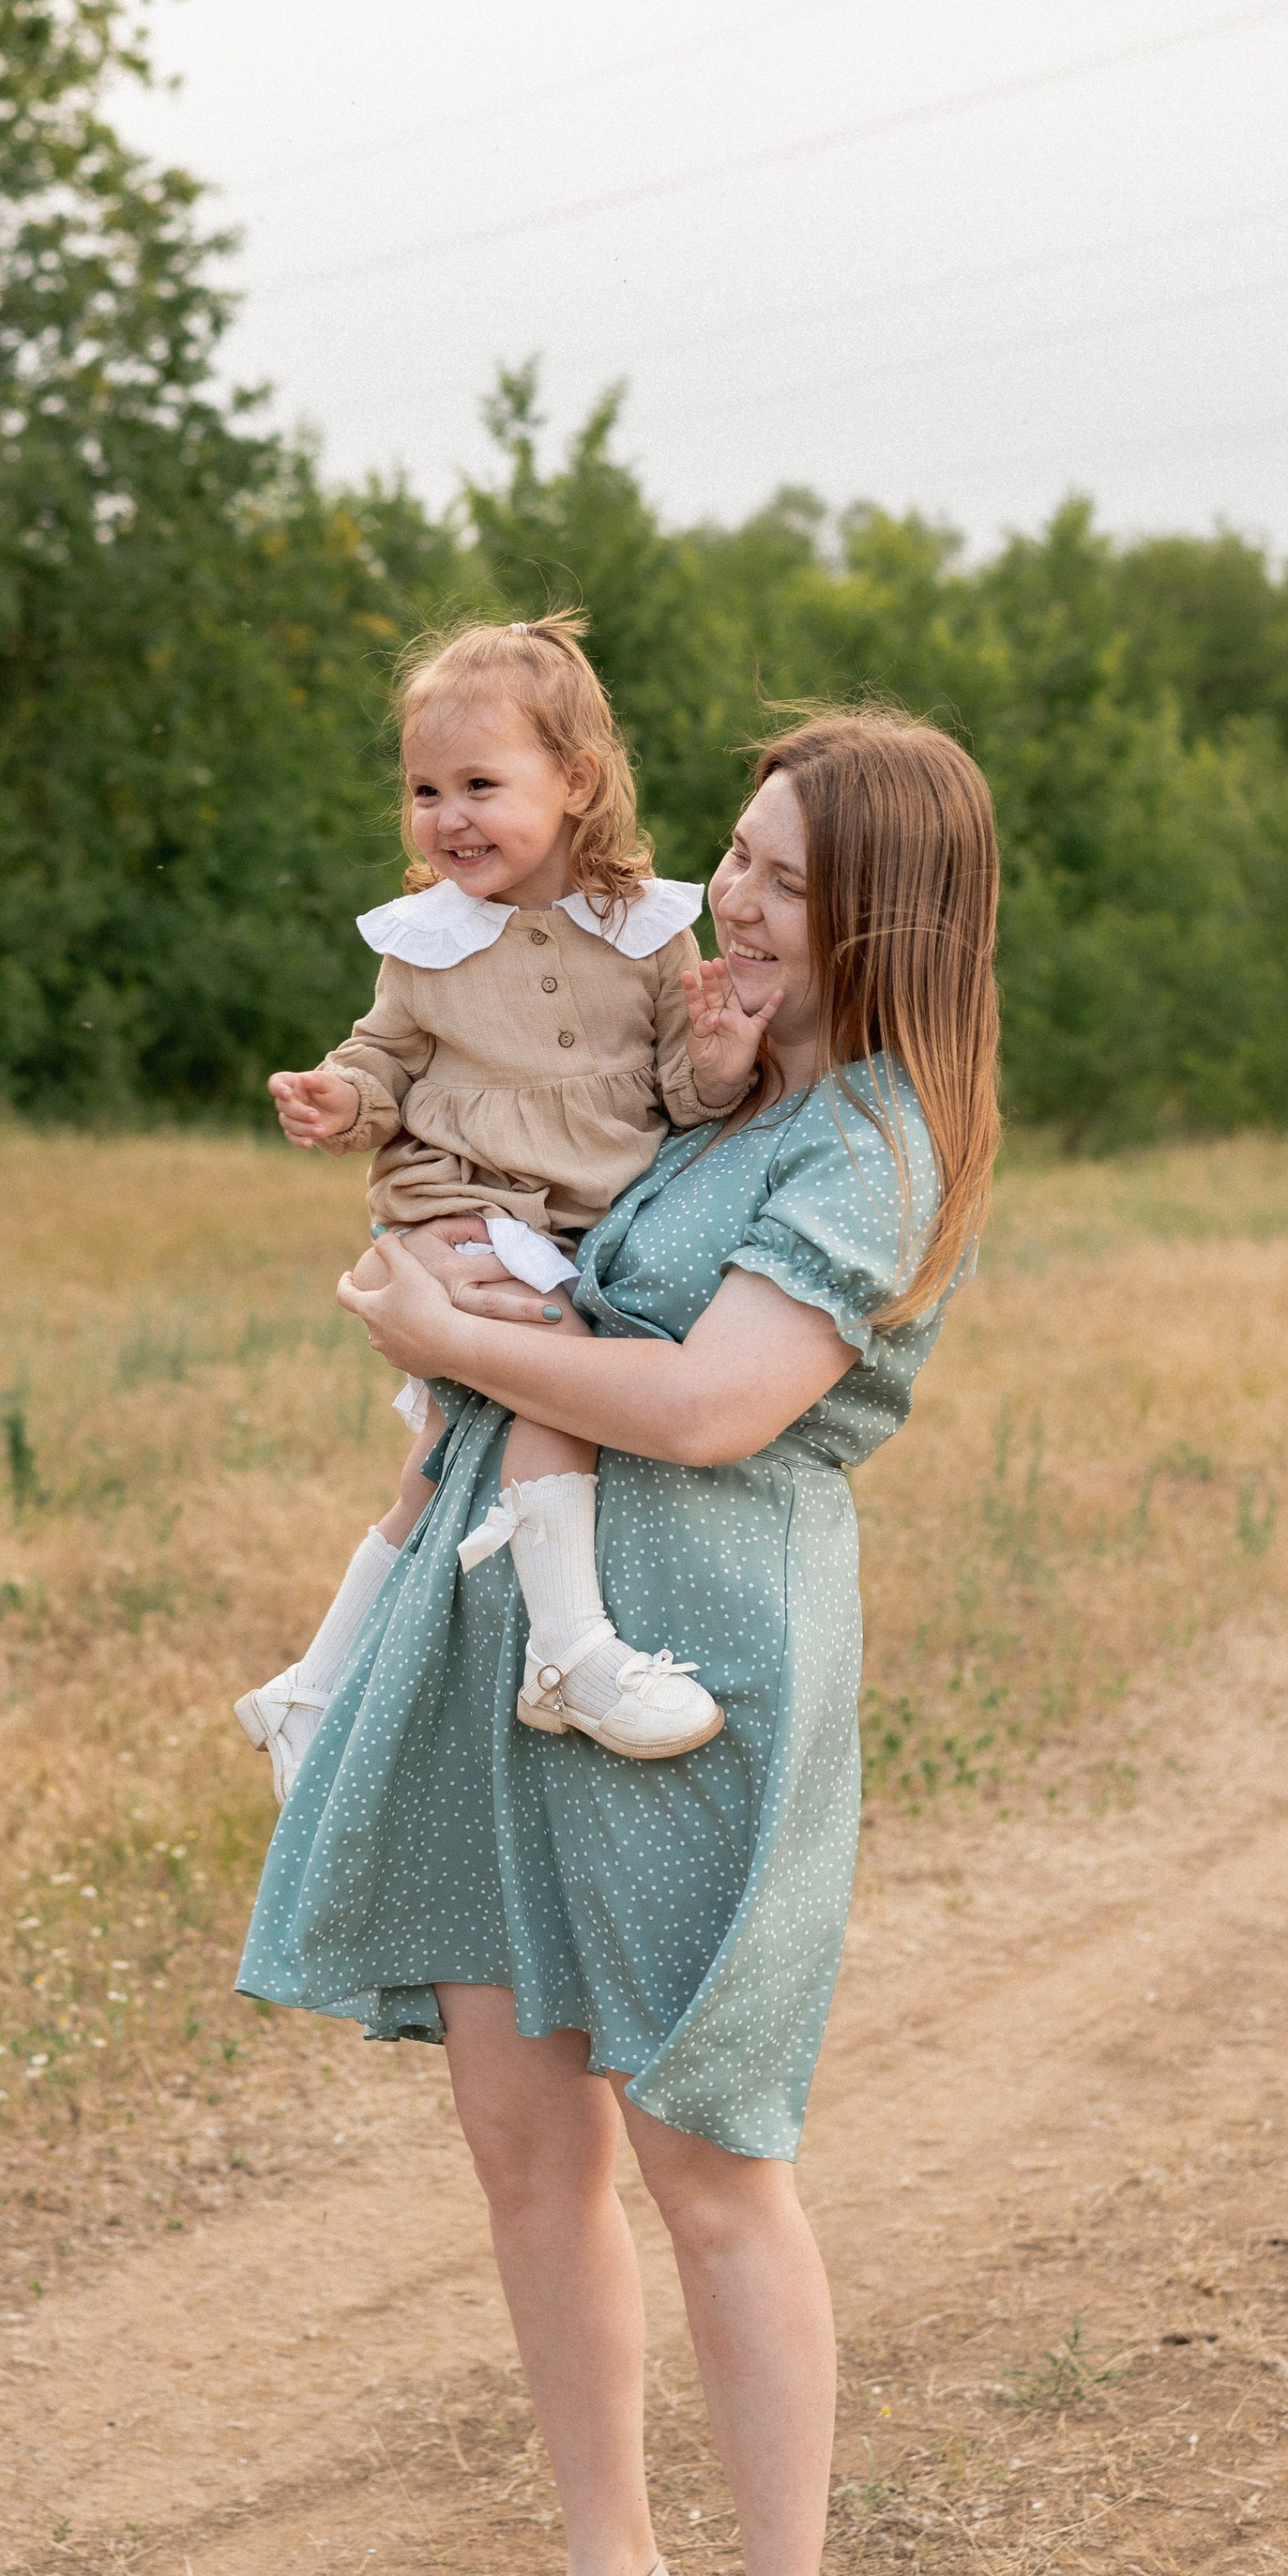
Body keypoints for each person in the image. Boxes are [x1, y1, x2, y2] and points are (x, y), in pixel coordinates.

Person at [237, 708, 1002, 2576]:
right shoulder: (697, 1073)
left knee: (704, 2155)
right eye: (730, 861)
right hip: (509, 1649)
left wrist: (440, 1329)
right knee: (520, 2142)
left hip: (694, 1672)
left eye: (772, 874)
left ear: (879, 912)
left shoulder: (868, 1138)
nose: (724, 897)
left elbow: (702, 1401)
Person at [235, 612, 763, 1791]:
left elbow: (686, 1088)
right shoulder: (426, 943)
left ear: (575, 782)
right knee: (556, 1363)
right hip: (460, 1207)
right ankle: (571, 1652)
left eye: (480, 782)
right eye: (426, 790)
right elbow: (383, 1060)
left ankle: (307, 1690)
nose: (447, 815)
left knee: (436, 1468)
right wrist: (340, 1098)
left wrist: (725, 1054)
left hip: (573, 1225)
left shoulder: (649, 928)